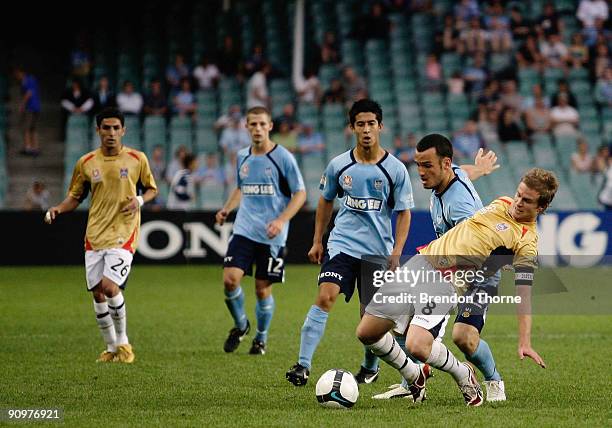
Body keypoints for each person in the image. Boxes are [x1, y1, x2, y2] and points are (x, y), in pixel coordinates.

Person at [357, 168, 557, 405]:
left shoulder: (527, 242)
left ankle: (468, 375)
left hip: (449, 280)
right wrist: (475, 168)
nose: (518, 202)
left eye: (527, 201)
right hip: (422, 261)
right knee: (367, 333)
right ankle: (413, 377)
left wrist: (525, 341)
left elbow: (524, 295)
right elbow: (458, 175)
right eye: (518, 194)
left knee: (422, 345)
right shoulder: (502, 202)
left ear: (541, 208)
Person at [285, 99, 414, 386]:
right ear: (352, 128)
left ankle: (369, 368)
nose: (366, 130)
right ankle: (302, 365)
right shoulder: (339, 165)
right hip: (342, 245)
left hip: (377, 251)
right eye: (360, 124)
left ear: (380, 126)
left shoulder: (395, 170)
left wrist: (396, 253)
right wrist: (318, 240)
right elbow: (325, 201)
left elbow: (404, 214)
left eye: (371, 124)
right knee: (324, 296)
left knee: (369, 319)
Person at [372, 134, 508, 402]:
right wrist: (479, 169)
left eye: (427, 166)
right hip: (449, 265)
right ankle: (412, 380)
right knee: (399, 312)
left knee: (465, 338)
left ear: (444, 164)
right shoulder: (450, 174)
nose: (420, 173)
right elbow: (464, 171)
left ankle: (494, 381)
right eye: (418, 164)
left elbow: (475, 249)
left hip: (477, 272)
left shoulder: (461, 208)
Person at [44, 107, 158, 363]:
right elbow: (75, 197)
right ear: (98, 131)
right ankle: (110, 348)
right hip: (95, 234)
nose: (111, 133)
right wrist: (58, 209)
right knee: (97, 292)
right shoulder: (86, 163)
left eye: (116, 128)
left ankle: (124, 343)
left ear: (123, 131)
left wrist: (138, 200)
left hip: (124, 233)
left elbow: (152, 189)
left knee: (109, 287)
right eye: (106, 128)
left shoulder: (137, 158)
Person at [215, 106, 306, 355]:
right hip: (244, 229)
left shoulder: (283, 157)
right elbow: (241, 187)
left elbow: (300, 193)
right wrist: (226, 209)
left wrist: (281, 220)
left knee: (262, 289)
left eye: (261, 124)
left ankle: (261, 338)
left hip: (272, 235)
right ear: (246, 126)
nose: (257, 129)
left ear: (270, 127)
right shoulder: (242, 155)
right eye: (252, 124)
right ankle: (241, 324)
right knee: (229, 280)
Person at [14, 66, 41, 156]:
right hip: (36, 107)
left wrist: (22, 104)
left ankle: (28, 147)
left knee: (27, 128)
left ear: (21, 72)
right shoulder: (31, 79)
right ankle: (35, 148)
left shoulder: (27, 80)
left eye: (17, 74)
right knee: (33, 128)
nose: (16, 76)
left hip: (31, 107)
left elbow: (29, 93)